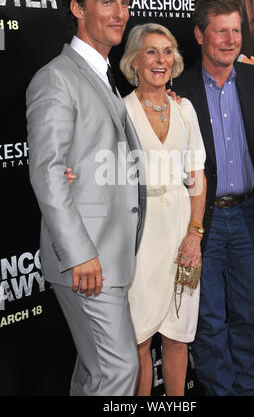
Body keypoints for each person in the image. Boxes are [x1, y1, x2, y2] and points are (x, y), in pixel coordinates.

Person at [26, 0, 146, 396]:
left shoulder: (104, 76)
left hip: (110, 256)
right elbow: (47, 171)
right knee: (118, 374)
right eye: (107, 1)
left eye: (125, 1)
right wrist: (79, 254)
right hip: (87, 261)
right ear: (77, 8)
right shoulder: (57, 79)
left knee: (94, 374)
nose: (121, 12)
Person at [66, 23, 207, 396]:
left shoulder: (185, 108)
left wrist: (195, 233)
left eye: (167, 52)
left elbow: (197, 177)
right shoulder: (121, 110)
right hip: (138, 236)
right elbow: (100, 167)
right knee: (139, 339)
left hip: (181, 231)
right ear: (134, 61)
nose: (160, 60)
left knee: (178, 336)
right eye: (151, 52)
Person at [172, 0, 254, 396]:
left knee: (249, 318)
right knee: (208, 321)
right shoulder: (179, 88)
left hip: (250, 217)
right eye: (220, 32)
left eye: (236, 31)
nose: (230, 40)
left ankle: (245, 391)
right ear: (199, 35)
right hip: (201, 223)